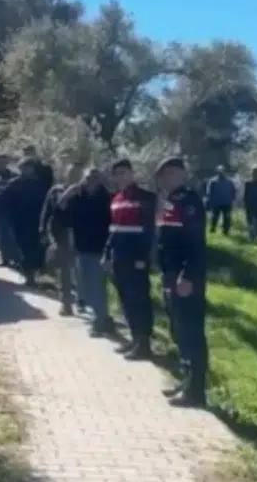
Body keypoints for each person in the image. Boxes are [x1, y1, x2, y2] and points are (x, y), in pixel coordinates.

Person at [156, 156, 209, 408]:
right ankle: (186, 379)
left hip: (186, 278)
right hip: (171, 275)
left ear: (180, 174)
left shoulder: (189, 201)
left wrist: (187, 276)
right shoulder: (171, 202)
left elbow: (196, 245)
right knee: (179, 331)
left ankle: (196, 391)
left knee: (191, 332)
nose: (165, 180)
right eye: (162, 176)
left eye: (169, 174)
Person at [102, 158, 157, 360]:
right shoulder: (116, 199)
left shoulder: (145, 197)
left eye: (124, 172)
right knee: (126, 301)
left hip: (136, 258)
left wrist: (145, 258)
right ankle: (134, 339)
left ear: (132, 173)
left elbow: (150, 231)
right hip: (119, 258)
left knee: (140, 300)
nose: (121, 176)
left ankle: (144, 344)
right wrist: (107, 254)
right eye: (117, 173)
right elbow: (113, 230)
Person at [64, 167, 114, 335]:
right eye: (88, 178)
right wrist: (66, 195)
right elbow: (64, 217)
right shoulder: (77, 197)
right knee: (84, 286)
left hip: (99, 247)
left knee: (97, 285)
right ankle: (102, 317)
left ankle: (100, 320)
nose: (92, 181)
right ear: (83, 179)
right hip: (81, 247)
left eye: (95, 178)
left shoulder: (106, 198)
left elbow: (113, 223)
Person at [41, 162, 83, 315]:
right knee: (64, 269)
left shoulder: (84, 191)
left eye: (77, 174)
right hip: (61, 234)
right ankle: (66, 302)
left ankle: (81, 300)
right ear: (66, 173)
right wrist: (42, 230)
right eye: (71, 173)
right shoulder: (56, 190)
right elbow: (48, 210)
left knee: (80, 268)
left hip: (81, 235)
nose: (74, 176)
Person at [4, 157, 48, 286]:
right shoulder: (14, 184)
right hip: (19, 221)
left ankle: (33, 275)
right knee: (23, 248)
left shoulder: (38, 184)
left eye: (28, 167)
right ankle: (29, 275)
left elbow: (44, 202)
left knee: (35, 248)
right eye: (23, 168)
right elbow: (6, 202)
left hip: (35, 220)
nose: (26, 170)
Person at [0, 153, 20, 267]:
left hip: (13, 211)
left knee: (13, 235)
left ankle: (16, 259)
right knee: (0, 235)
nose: (1, 163)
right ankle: (4, 258)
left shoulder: (15, 176)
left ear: (7, 162)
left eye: (3, 161)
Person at [204, 166, 236, 236]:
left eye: (222, 171)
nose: (221, 173)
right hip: (217, 202)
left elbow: (233, 191)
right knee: (215, 216)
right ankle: (213, 229)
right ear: (217, 172)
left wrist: (232, 199)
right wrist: (209, 200)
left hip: (226, 202)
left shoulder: (229, 181)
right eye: (220, 171)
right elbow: (209, 192)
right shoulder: (213, 181)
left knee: (226, 217)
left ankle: (225, 230)